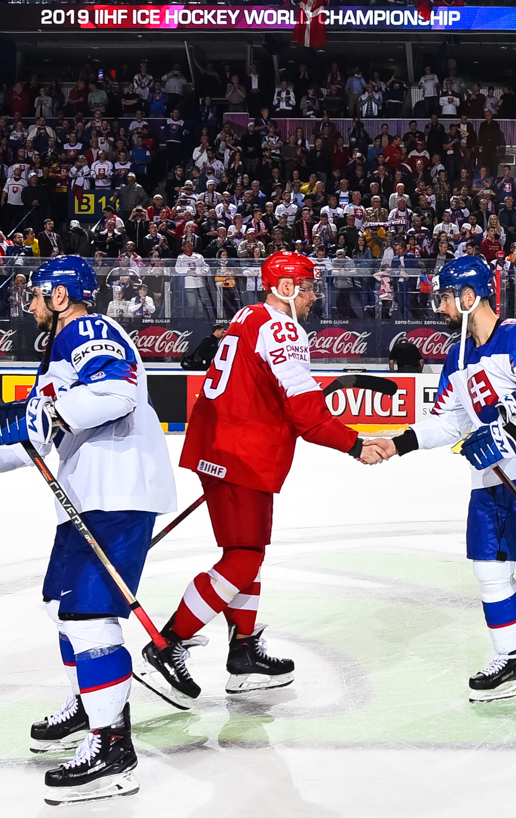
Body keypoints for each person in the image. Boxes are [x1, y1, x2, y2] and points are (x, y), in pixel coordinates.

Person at [0, 255, 178, 804]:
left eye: (37, 294)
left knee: (90, 617)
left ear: (61, 297)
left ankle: (112, 752)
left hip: (116, 493)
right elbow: (34, 437)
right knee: (63, 608)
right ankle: (92, 704)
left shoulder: (88, 328)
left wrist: (43, 411)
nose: (30, 304)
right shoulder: (61, 350)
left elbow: (114, 396)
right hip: (91, 495)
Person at [359, 256, 516, 710]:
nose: (439, 307)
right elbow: (450, 420)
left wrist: (509, 432)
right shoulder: (457, 355)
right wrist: (400, 443)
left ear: (469, 296)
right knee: (491, 575)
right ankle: (510, 658)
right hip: (489, 480)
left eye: (444, 298)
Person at [138, 252, 384, 707]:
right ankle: (168, 641)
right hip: (240, 455)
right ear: (286, 287)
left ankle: (243, 652)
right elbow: (305, 411)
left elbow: (267, 392)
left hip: (225, 448)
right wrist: (354, 443)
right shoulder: (284, 327)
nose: (313, 295)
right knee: (245, 558)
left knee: (246, 554)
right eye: (307, 286)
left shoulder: (248, 317)